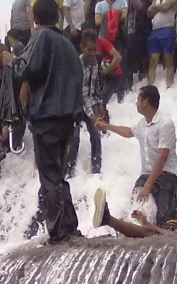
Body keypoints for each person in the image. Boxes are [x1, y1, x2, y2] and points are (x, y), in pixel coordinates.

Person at [13, 0, 84, 244]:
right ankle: (69, 226)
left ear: (35, 16)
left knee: (50, 176)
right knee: (59, 174)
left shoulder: (40, 36)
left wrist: (12, 60)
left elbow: (27, 71)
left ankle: (57, 232)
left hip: (46, 115)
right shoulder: (67, 43)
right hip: (67, 117)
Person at [95, 85, 177, 228]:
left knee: (165, 218)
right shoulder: (142, 124)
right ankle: (110, 221)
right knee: (135, 212)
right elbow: (129, 132)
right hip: (146, 175)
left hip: (167, 176)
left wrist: (148, 185)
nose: (136, 103)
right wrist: (106, 126)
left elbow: (162, 156)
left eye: (138, 99)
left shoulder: (165, 123)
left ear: (146, 102)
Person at [66, 30, 103, 177]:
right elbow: (80, 93)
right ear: (82, 47)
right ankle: (69, 172)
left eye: (95, 50)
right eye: (90, 50)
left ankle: (97, 171)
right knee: (74, 139)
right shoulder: (76, 64)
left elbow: (95, 86)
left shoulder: (95, 63)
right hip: (75, 104)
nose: (93, 53)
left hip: (90, 101)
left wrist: (99, 103)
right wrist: (91, 115)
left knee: (96, 134)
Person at [146, 0, 177, 87]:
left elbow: (166, 7)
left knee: (168, 59)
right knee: (152, 60)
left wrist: (154, 8)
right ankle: (150, 86)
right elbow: (149, 13)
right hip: (155, 31)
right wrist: (158, 7)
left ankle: (169, 86)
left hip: (167, 29)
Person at [97, 29, 124, 106]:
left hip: (115, 75)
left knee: (102, 100)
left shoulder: (101, 41)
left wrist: (106, 70)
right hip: (102, 78)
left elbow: (118, 57)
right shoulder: (85, 46)